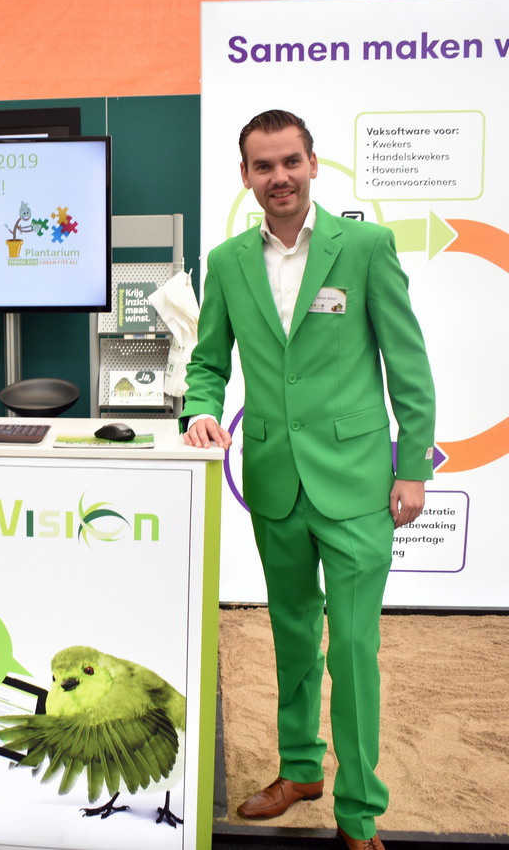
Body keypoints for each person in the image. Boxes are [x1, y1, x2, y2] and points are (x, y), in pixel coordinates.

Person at [181, 110, 435, 850]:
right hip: (274, 482)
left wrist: (413, 467)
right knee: (293, 636)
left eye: (291, 161)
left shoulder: (365, 248)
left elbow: (409, 366)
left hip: (357, 483)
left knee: (352, 649)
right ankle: (299, 771)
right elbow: (208, 361)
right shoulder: (227, 261)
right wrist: (201, 409)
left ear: (314, 164)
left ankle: (358, 812)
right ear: (245, 176)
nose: (279, 177)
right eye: (264, 166)